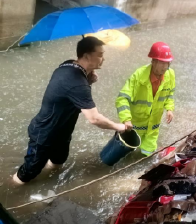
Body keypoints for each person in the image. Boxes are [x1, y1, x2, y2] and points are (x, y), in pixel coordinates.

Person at [13, 37, 131, 185]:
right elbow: (94, 118)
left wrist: (89, 79)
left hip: (62, 131)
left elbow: (72, 94)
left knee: (58, 161)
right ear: (87, 56)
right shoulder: (77, 83)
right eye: (100, 55)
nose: (103, 58)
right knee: (28, 173)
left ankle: (51, 182)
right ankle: (13, 189)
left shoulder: (68, 65)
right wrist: (118, 126)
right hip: (44, 133)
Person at [116, 42, 175, 156]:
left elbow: (170, 94)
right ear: (153, 61)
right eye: (162, 62)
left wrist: (169, 109)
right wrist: (126, 119)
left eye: (167, 63)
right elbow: (122, 98)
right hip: (135, 126)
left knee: (147, 156)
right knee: (126, 154)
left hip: (153, 126)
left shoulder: (170, 74)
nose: (165, 67)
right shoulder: (138, 76)